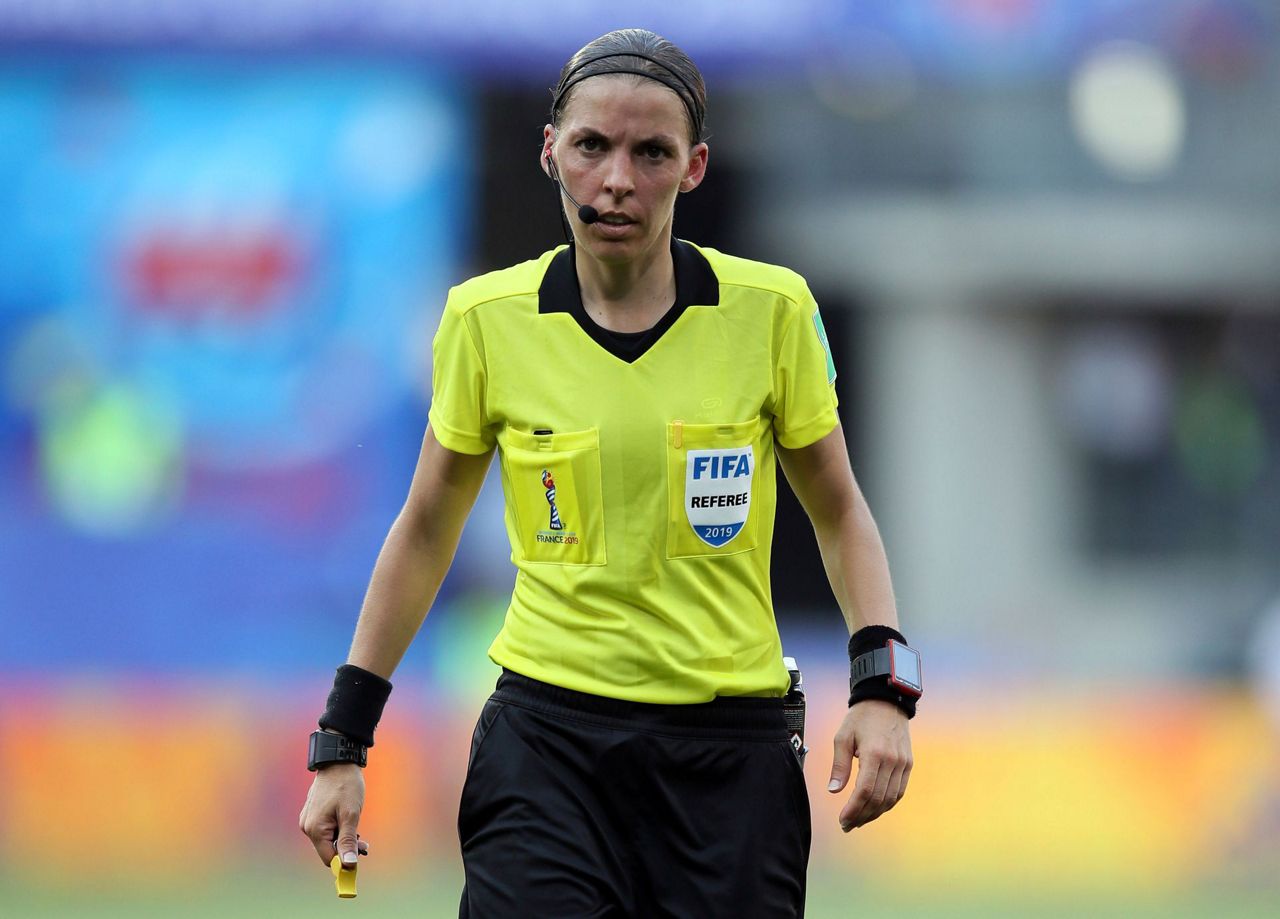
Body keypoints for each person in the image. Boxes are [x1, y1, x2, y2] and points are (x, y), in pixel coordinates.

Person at [299, 28, 920, 918]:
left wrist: (882, 688)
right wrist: (343, 739)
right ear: (551, 150)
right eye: (592, 146)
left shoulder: (773, 312)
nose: (618, 179)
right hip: (546, 745)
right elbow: (425, 528)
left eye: (651, 151)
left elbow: (839, 510)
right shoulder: (486, 320)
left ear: (695, 166)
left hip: (728, 756)